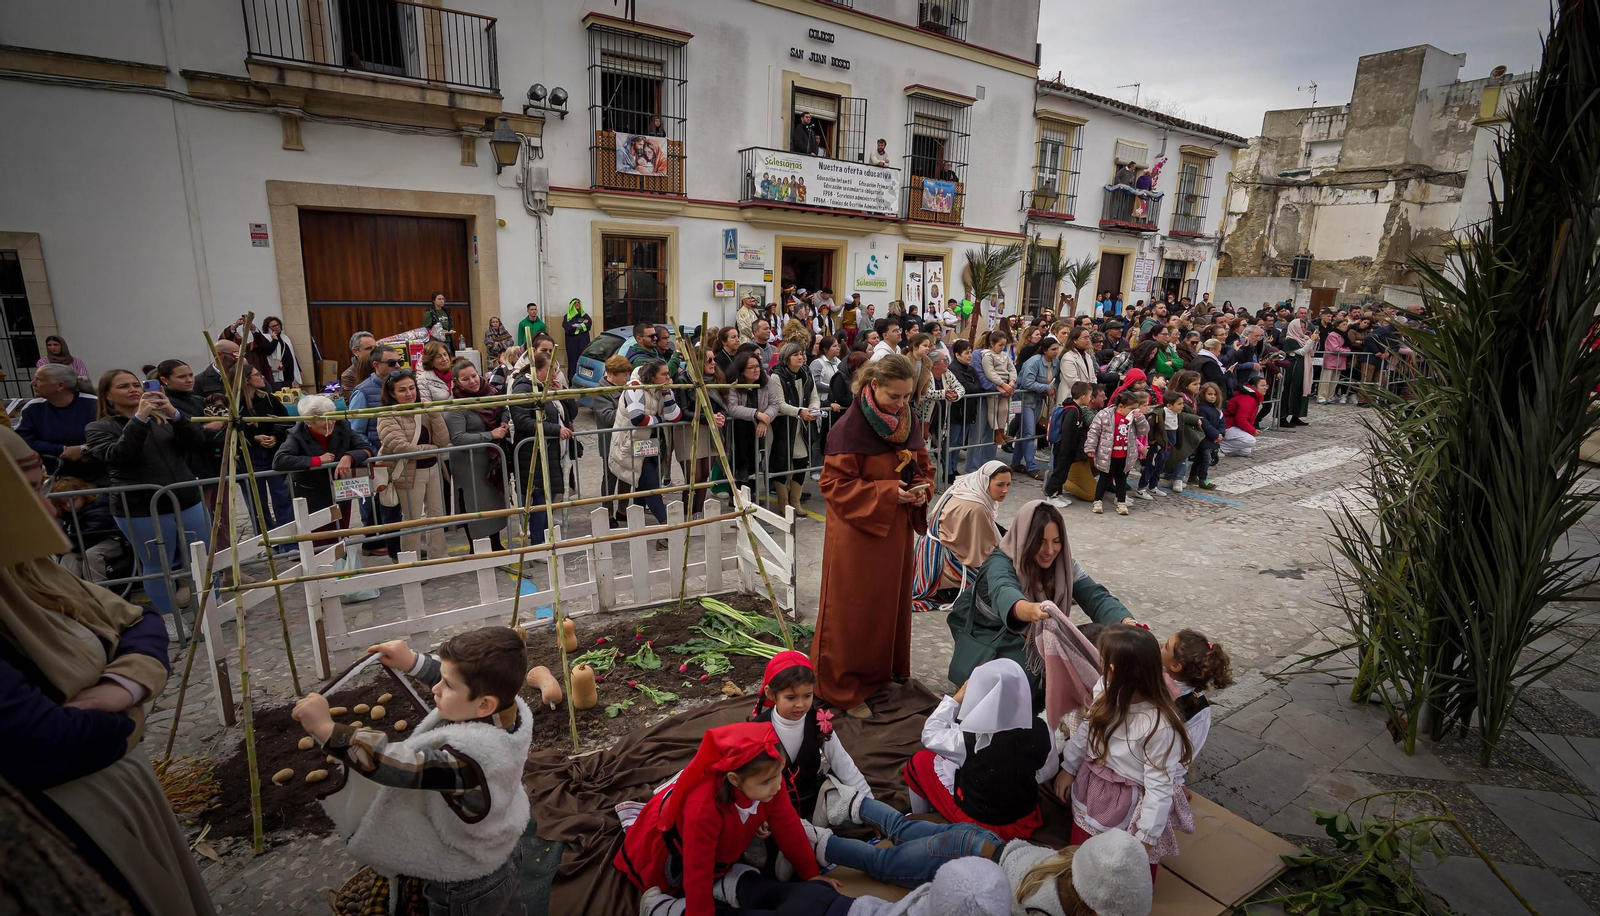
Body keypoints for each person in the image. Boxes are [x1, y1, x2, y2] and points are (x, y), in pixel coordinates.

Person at [0, 428, 217, 916]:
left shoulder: (32, 573)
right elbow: (43, 744)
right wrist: (130, 718)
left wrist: (120, 689)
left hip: (116, 790)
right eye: (29, 490)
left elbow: (136, 623)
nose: (52, 509)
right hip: (64, 824)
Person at [296, 630, 531, 916]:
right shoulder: (506, 709)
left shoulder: (472, 760)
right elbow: (462, 683)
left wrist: (327, 730)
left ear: (484, 704)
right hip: (503, 852)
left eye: (447, 685)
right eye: (441, 678)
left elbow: (394, 764)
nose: (436, 689)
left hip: (467, 881)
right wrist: (412, 662)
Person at [813, 354, 933, 718]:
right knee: (853, 609)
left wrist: (921, 486)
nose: (901, 405)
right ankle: (844, 688)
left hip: (894, 530)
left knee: (887, 604)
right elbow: (833, 484)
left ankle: (880, 676)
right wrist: (884, 492)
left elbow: (919, 462)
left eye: (908, 397)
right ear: (873, 385)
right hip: (857, 534)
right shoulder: (849, 429)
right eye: (894, 397)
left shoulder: (906, 420)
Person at [614, 723, 834, 916]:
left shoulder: (770, 783)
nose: (778, 785)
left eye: (780, 774)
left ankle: (729, 876)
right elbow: (697, 870)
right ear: (735, 780)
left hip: (718, 843)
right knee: (684, 885)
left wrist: (810, 875)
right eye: (767, 781)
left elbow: (789, 827)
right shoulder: (702, 809)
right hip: (677, 850)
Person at [1056, 626, 1195, 881]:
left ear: (1115, 670)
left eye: (1104, 662)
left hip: (1126, 803)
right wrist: (1068, 767)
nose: (1102, 668)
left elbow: (1159, 787)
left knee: (1117, 866)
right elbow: (1087, 729)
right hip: (1095, 785)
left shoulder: (1158, 726)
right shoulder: (1106, 688)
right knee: (1086, 855)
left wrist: (1146, 837)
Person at [83, 370, 211, 637]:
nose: (132, 389)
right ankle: (170, 618)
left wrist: (175, 414)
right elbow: (119, 455)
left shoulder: (162, 419)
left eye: (135, 384)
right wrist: (139, 418)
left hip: (184, 496)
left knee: (202, 554)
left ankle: (213, 604)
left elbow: (198, 441)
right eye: (123, 386)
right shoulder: (99, 427)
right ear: (107, 395)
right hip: (140, 506)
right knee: (157, 562)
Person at [901, 659, 1060, 841]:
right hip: (1023, 820)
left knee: (919, 761)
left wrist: (955, 699)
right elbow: (1047, 771)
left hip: (981, 826)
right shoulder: (1043, 730)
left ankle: (919, 816)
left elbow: (930, 734)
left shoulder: (968, 738)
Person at [749, 652, 872, 835]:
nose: (800, 704)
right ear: (770, 694)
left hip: (814, 800)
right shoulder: (757, 730)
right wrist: (755, 813)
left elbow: (843, 763)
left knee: (856, 817)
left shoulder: (819, 724)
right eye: (791, 698)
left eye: (807, 696)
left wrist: (870, 804)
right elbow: (747, 779)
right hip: (772, 807)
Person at [272, 394, 374, 545]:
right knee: (319, 541)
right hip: (312, 496)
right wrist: (317, 460)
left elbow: (366, 449)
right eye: (322, 419)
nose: (330, 422)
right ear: (308, 422)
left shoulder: (343, 426)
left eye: (331, 417)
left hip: (340, 493)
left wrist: (349, 457)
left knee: (340, 537)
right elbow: (280, 460)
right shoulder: (297, 434)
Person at [912, 461, 1010, 613]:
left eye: (1008, 485)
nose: (1005, 490)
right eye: (1000, 485)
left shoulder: (967, 487)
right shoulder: (977, 508)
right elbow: (977, 555)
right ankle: (951, 588)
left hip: (927, 548)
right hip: (940, 562)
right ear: (985, 481)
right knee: (1002, 575)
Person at [377, 371, 452, 560]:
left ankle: (439, 558)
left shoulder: (424, 408)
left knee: (437, 515)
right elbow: (402, 447)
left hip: (433, 468)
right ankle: (412, 563)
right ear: (392, 393)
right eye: (402, 390)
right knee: (412, 519)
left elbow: (443, 440)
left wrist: (434, 414)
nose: (409, 393)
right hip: (408, 472)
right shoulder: (386, 415)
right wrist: (432, 448)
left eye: (412, 388)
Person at [444, 358, 510, 554]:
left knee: (495, 503)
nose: (472, 381)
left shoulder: (492, 392)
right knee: (473, 505)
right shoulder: (455, 405)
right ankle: (476, 547)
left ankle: (496, 543)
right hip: (468, 464)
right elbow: (458, 438)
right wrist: (491, 435)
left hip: (492, 461)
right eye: (465, 379)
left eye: (474, 376)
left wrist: (504, 423)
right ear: (456, 381)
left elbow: (504, 408)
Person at [607, 360, 682, 526]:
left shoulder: (660, 389)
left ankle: (636, 522)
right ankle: (666, 524)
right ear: (652, 376)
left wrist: (667, 393)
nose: (668, 377)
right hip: (631, 444)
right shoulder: (635, 388)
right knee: (651, 486)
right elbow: (637, 418)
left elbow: (675, 416)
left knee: (643, 486)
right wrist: (660, 419)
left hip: (650, 443)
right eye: (664, 374)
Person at [509, 354, 571, 546]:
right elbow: (522, 421)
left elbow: (570, 414)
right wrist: (555, 429)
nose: (554, 375)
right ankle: (538, 542)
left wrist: (563, 394)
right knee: (539, 500)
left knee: (549, 497)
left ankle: (545, 538)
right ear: (537, 370)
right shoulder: (523, 388)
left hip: (551, 452)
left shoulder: (546, 387)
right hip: (533, 453)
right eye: (550, 370)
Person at [1162, 629, 1234, 790]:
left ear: (1175, 666)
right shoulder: (1201, 710)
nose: (1160, 645)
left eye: (1166, 646)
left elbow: (1184, 755)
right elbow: (1189, 753)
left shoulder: (1195, 709)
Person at [18, 363, 102, 482]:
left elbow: (113, 438)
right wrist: (61, 449)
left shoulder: (95, 405)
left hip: (99, 476)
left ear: (60, 386)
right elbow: (24, 441)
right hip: (56, 478)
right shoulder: (33, 408)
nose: (33, 383)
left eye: (39, 379)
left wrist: (84, 449)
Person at [239, 365, 292, 536]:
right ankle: (266, 540)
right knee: (257, 502)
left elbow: (285, 420)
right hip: (249, 455)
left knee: (282, 496)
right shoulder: (233, 403)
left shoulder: (268, 398)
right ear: (246, 380)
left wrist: (275, 436)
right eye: (257, 374)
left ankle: (288, 540)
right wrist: (255, 438)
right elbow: (230, 429)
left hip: (272, 453)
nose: (262, 377)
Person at [767, 343, 820, 512]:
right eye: (796, 354)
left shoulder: (806, 373)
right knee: (782, 463)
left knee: (801, 462)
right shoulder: (776, 377)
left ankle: (795, 500)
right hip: (783, 427)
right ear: (786, 357)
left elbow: (814, 396)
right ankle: (783, 502)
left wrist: (814, 409)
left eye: (802, 354)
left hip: (802, 426)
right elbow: (780, 404)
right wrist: (800, 412)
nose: (801, 357)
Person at [1085, 389, 1150, 516]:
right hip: (1108, 455)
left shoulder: (1133, 418)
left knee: (1122, 480)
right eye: (1132, 409)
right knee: (1104, 479)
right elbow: (1094, 432)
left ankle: (1121, 502)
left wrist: (1140, 418)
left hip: (1125, 456)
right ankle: (1097, 501)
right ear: (1121, 406)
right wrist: (1090, 448)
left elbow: (1144, 430)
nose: (1134, 412)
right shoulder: (1105, 415)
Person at [1043, 381, 1095, 508]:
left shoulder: (1074, 408)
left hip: (1067, 449)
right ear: (1083, 397)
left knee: (1064, 472)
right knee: (1059, 472)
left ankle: (1058, 493)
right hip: (1064, 448)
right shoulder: (1072, 411)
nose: (1090, 399)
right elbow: (1066, 430)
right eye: (1089, 396)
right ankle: (1051, 495)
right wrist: (1066, 450)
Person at [1014, 336, 1057, 479]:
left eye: (1057, 349)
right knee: (1029, 433)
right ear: (1045, 350)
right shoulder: (1034, 362)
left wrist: (1050, 389)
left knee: (1024, 432)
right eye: (1053, 349)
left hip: (1038, 399)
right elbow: (1027, 383)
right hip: (1025, 400)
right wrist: (1045, 388)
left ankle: (1015, 462)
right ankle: (1031, 466)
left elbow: (1055, 380)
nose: (1056, 352)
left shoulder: (1055, 362)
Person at [1135, 390, 1183, 500]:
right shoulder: (1160, 414)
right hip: (1158, 446)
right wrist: (1151, 440)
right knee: (1151, 466)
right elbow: (1150, 426)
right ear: (1170, 406)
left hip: (1167, 447)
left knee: (1160, 467)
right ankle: (1141, 488)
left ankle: (1153, 486)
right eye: (1179, 404)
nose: (1182, 406)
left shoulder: (1177, 415)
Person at [979, 331, 1016, 447]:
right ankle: (995, 432)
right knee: (993, 409)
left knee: (1004, 409)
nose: (1002, 347)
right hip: (995, 386)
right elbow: (990, 373)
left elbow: (1012, 368)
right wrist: (1002, 384)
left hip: (1006, 385)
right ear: (992, 343)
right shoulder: (987, 356)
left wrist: (1012, 381)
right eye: (1000, 345)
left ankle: (1001, 430)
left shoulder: (1005, 356)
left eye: (1004, 345)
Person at [1279, 317, 1317, 428]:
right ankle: (1283, 417)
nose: (1303, 330)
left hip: (1303, 369)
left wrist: (1310, 340)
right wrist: (1311, 341)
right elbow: (1301, 352)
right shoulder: (1289, 340)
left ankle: (1296, 416)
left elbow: (1310, 351)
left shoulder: (1303, 338)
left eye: (1304, 328)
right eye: (1301, 328)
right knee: (1290, 392)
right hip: (1293, 370)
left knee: (1300, 391)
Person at [1220, 375, 1264, 457]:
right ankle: (1219, 448)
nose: (1265, 388)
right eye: (1262, 385)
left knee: (1246, 451)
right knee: (1250, 441)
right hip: (1228, 426)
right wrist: (1252, 431)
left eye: (1266, 385)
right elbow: (1240, 419)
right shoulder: (1248, 398)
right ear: (1254, 386)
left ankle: (1224, 447)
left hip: (1233, 425)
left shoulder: (1253, 397)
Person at [1317, 317, 1351, 404]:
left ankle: (1330, 396)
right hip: (1331, 359)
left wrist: (1346, 351)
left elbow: (1346, 347)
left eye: (1346, 324)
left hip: (1340, 360)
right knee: (1326, 379)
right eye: (1343, 324)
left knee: (1334, 380)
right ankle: (1322, 396)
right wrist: (1347, 351)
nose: (1345, 326)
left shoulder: (1344, 336)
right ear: (1338, 326)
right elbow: (1335, 348)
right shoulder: (1333, 335)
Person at [561, 298, 593, 381]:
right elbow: (568, 329)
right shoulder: (567, 317)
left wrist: (576, 326)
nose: (577, 304)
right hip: (572, 343)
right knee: (573, 362)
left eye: (579, 302)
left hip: (583, 342)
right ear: (572, 305)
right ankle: (572, 381)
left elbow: (589, 325)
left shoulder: (584, 315)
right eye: (575, 303)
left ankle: (583, 380)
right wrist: (582, 325)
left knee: (583, 361)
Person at [339, 330, 377, 398]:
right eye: (369, 348)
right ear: (355, 352)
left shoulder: (382, 366)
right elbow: (355, 401)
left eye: (375, 348)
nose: (374, 352)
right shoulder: (349, 375)